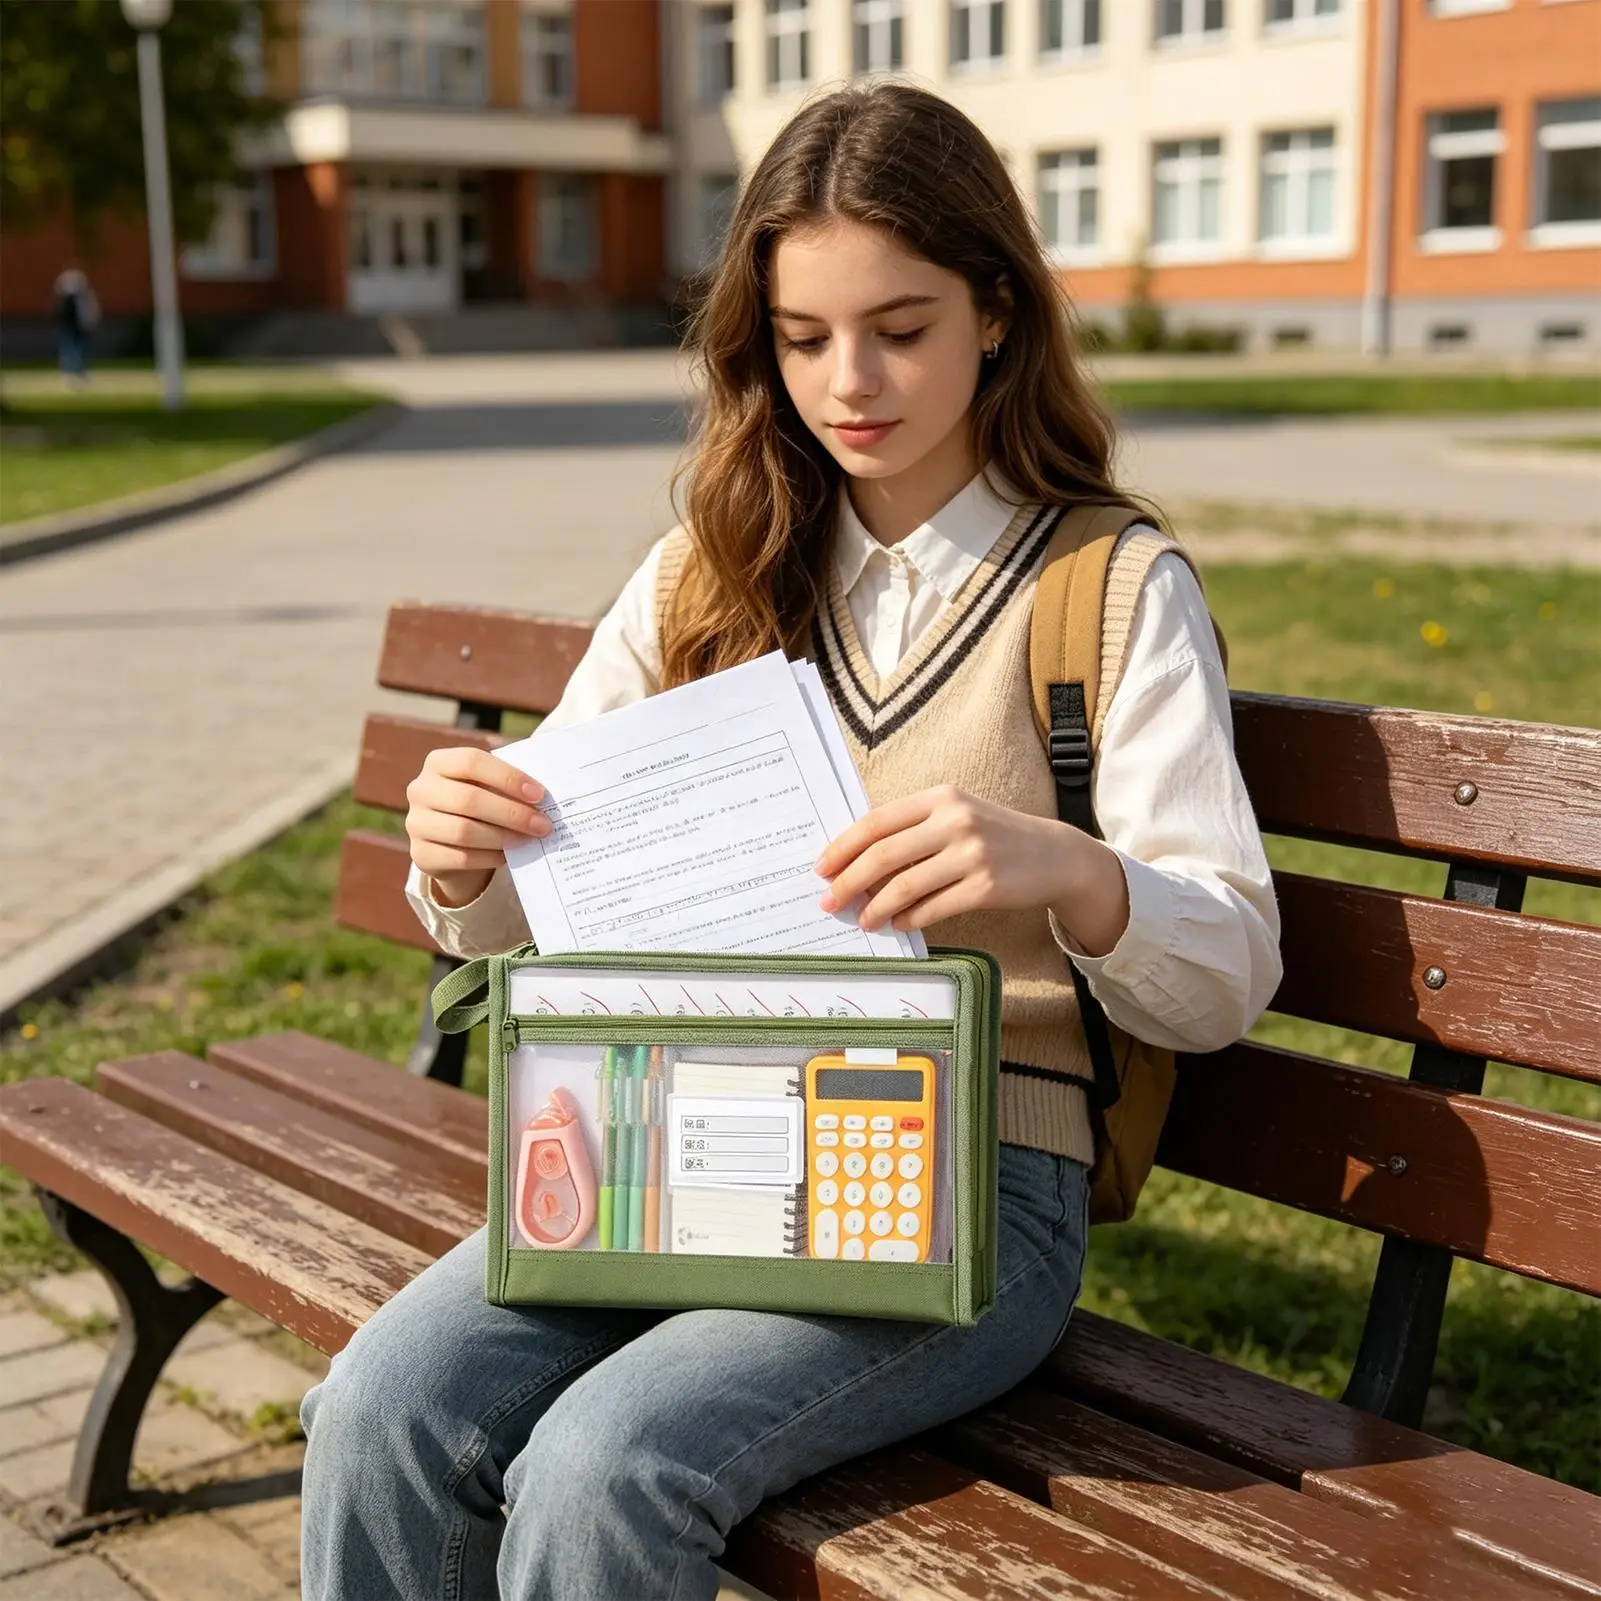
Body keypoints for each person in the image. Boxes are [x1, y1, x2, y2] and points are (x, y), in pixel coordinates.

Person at [299, 81, 1281, 1601]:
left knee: (606, 1464)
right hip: (662, 1145)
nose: (851, 380)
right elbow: (509, 914)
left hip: (960, 1188)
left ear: (999, 313)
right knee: (378, 1405)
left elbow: (1220, 978)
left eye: (901, 325)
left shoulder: (1108, 587)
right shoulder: (709, 563)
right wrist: (467, 854)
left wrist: (1075, 875)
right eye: (803, 337)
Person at [51, 262, 98, 386]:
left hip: (75, 325)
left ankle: (74, 372)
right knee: (74, 348)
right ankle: (74, 373)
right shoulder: (77, 296)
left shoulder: (74, 296)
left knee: (73, 348)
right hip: (74, 325)